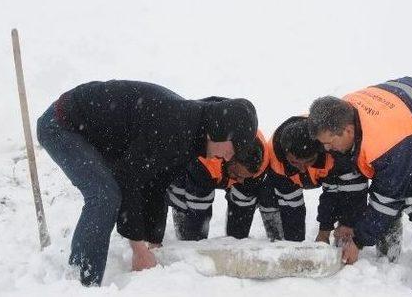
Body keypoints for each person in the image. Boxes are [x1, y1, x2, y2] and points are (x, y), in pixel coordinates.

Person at [36, 80, 257, 286]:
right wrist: (139, 248)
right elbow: (129, 178)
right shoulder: (176, 125)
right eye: (231, 149)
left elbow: (155, 185)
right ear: (218, 130)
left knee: (115, 193)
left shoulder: (192, 137)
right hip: (62, 123)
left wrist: (153, 239)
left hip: (99, 136)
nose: (228, 158)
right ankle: (81, 283)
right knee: (105, 195)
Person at [307, 77, 412, 296]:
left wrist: (360, 241)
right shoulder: (339, 114)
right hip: (407, 120)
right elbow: (352, 180)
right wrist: (347, 222)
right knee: (388, 189)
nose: (326, 149)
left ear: (347, 131)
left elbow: (388, 198)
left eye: (329, 142)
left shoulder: (385, 142)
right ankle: (387, 259)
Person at [266, 116, 368, 242]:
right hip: (285, 172)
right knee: (288, 220)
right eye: (295, 162)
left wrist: (325, 232)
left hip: (343, 178)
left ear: (320, 151)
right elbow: (291, 206)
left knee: (348, 209)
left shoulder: (334, 150)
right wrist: (294, 245)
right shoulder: (275, 159)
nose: (302, 169)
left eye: (309, 161)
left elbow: (336, 195)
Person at [167, 131, 282, 241]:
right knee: (185, 199)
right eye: (237, 174)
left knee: (244, 200)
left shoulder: (261, 163)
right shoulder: (204, 161)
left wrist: (237, 241)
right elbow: (198, 208)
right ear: (228, 158)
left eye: (245, 177)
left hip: (235, 165)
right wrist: (195, 245)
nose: (240, 181)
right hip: (186, 167)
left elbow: (243, 203)